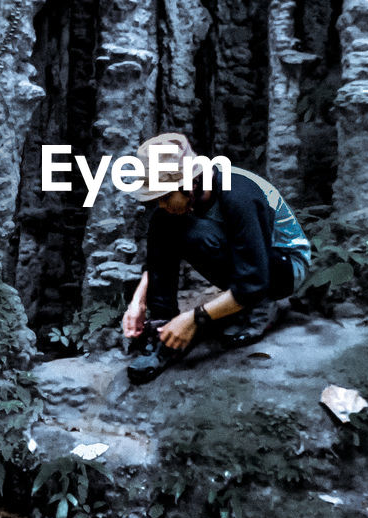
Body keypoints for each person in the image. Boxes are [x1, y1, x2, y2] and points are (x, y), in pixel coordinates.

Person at [121, 133, 311, 384]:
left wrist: (194, 318)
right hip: (247, 260)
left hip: (283, 267)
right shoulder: (191, 197)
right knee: (162, 221)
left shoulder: (238, 194)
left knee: (197, 236)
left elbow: (253, 278)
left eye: (165, 197)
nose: (162, 203)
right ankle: (162, 327)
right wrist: (138, 302)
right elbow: (159, 256)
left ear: (190, 184)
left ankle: (262, 307)